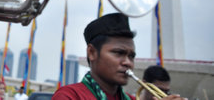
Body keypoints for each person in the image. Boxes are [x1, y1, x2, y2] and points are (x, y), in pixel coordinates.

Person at [52, 13, 186, 100]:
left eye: (131, 56)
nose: (128, 62)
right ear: (92, 53)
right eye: (118, 53)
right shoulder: (69, 96)